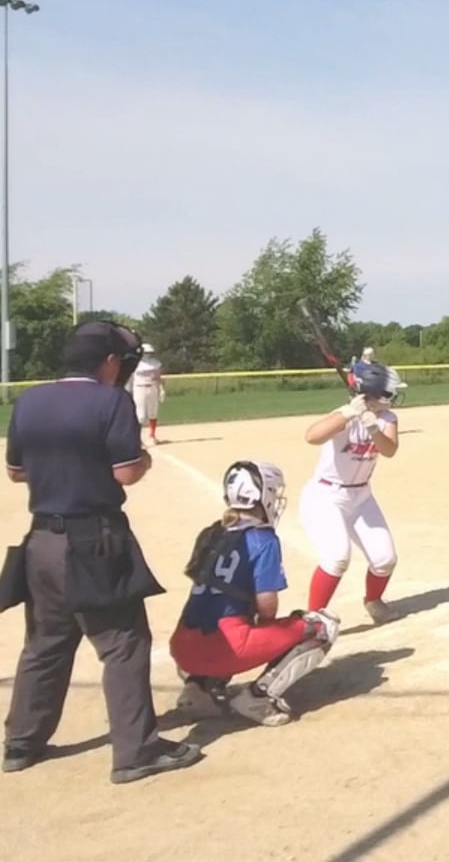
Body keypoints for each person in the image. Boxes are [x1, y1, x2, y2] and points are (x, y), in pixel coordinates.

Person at [0, 321, 202, 784]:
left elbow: (16, 472)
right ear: (108, 362)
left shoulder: (30, 400)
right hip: (95, 539)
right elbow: (126, 472)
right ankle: (136, 752)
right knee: (124, 643)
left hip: (41, 541)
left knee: (46, 643)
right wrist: (143, 460)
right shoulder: (110, 401)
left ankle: (21, 743)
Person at [170, 461, 341, 727]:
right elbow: (267, 604)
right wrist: (271, 631)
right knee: (321, 627)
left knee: (230, 611)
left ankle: (199, 689)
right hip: (225, 646)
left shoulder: (211, 533)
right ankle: (258, 697)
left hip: (182, 646)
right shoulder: (264, 539)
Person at [299, 364, 403, 625]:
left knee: (385, 559)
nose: (393, 398)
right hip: (325, 495)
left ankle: (373, 601)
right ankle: (312, 620)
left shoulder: (387, 418)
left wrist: (374, 430)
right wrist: (348, 413)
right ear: (374, 394)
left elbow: (389, 450)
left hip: (361, 496)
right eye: (389, 394)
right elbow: (311, 436)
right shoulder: (344, 416)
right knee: (337, 557)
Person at [128, 343, 165, 444]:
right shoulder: (135, 364)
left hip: (152, 387)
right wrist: (129, 390)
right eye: (146, 353)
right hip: (140, 388)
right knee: (140, 415)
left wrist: (162, 389)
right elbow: (131, 379)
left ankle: (152, 435)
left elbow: (158, 377)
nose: (147, 355)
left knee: (153, 412)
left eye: (149, 353)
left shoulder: (155, 363)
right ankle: (137, 438)